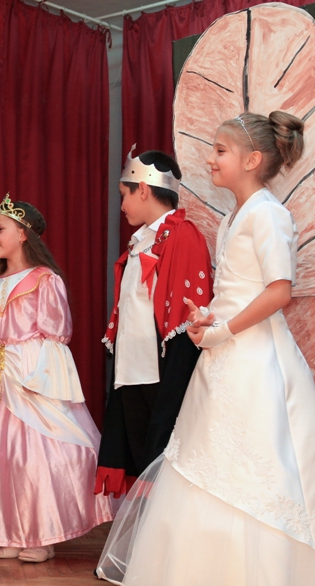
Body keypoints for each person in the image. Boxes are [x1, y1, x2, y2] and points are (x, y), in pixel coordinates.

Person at [96, 112, 315, 586]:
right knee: (209, 464)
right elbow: (238, 289)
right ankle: (211, 580)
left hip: (255, 358)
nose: (209, 159)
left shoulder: (268, 215)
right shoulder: (236, 216)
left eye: (220, 151)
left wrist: (225, 329)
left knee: (261, 462)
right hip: (224, 353)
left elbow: (279, 291)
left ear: (252, 160)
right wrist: (207, 317)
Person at [0, 194, 112, 563]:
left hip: (30, 376)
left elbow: (55, 337)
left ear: (23, 234)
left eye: (0, 229)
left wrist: (41, 378)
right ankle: (8, 531)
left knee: (36, 455)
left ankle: (41, 535)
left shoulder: (45, 280)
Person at [96, 149, 213, 496]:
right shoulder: (141, 241)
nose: (122, 206)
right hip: (132, 371)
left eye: (125, 195)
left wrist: (174, 381)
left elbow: (184, 319)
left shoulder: (183, 235)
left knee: (163, 462)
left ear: (143, 190)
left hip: (160, 373)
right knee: (139, 460)